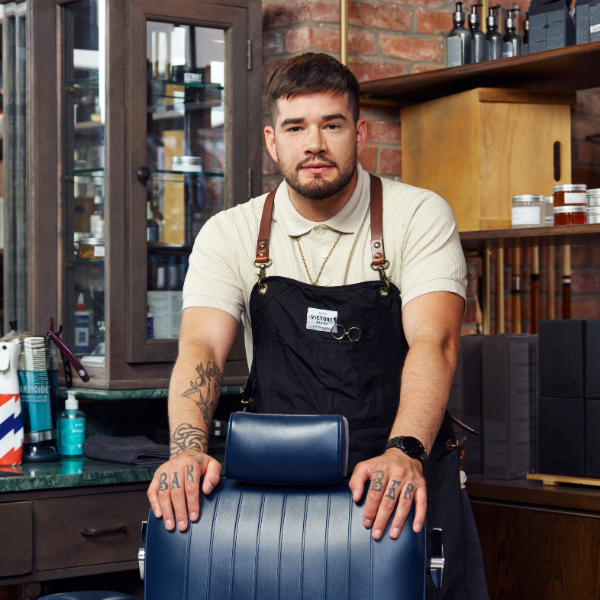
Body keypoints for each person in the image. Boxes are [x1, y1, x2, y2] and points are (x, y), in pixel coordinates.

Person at [148, 52, 481, 599]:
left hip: (397, 477)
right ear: (273, 141)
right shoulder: (229, 233)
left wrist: (404, 451)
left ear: (360, 132)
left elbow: (435, 341)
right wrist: (186, 446)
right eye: (296, 127)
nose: (315, 145)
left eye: (332, 124)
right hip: (279, 491)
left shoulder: (416, 215)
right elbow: (202, 347)